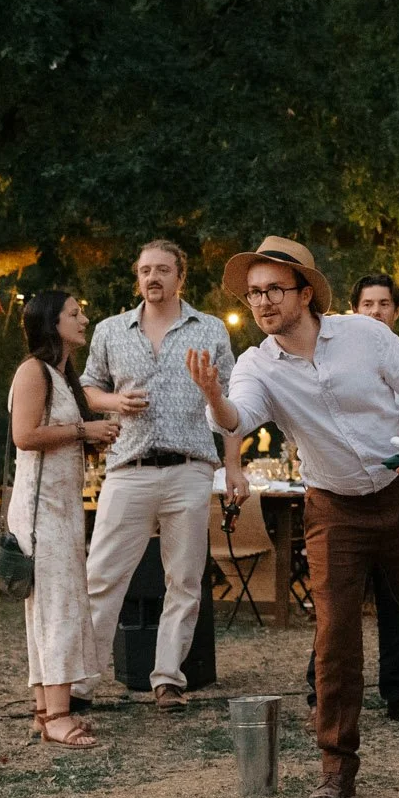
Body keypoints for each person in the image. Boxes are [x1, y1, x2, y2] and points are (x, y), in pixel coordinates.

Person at [186, 236, 399, 798]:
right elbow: (239, 415)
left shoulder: (363, 334)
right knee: (335, 641)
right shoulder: (258, 365)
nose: (261, 303)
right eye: (254, 293)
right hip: (334, 510)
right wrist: (213, 397)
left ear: (305, 293)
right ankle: (337, 767)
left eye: (273, 290)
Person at [75, 241, 247, 713]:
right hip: (128, 469)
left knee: (185, 580)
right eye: (146, 270)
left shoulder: (210, 329)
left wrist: (232, 465)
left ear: (180, 278)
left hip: (189, 469)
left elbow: (235, 408)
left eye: (163, 270)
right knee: (102, 577)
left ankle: (168, 678)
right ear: (138, 277)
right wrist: (115, 403)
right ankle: (80, 682)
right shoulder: (111, 330)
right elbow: (90, 388)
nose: (153, 277)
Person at [298, 272, 399, 724]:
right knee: (338, 602)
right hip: (344, 496)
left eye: (384, 304)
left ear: (397, 311)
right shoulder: (336, 362)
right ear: (354, 312)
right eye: (367, 305)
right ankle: (323, 687)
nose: (376, 312)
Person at [9, 291, 118, 748]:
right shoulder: (33, 371)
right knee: (56, 609)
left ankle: (44, 710)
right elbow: (25, 435)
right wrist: (83, 430)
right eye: (74, 314)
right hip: (40, 512)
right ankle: (57, 715)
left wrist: (91, 441)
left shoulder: (62, 375)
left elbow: (56, 436)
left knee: (55, 607)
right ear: (51, 323)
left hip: (63, 507)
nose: (84, 318)